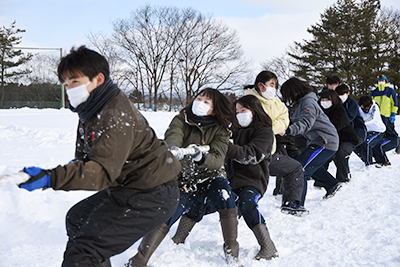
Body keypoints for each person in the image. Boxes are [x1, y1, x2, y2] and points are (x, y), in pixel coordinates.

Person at [17, 46, 181, 267]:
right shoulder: (92, 108)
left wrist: (51, 178)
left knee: (82, 252)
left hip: (152, 194)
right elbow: (88, 157)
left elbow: (102, 172)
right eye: (66, 84)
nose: (69, 89)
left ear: (99, 78)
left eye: (74, 81)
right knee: (77, 219)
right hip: (129, 186)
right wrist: (75, 168)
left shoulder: (113, 113)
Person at [128, 88, 239, 266]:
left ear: (214, 109)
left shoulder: (221, 130)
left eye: (206, 101)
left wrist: (200, 157)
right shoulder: (182, 119)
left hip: (211, 175)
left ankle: (232, 253)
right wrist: (173, 150)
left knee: (225, 196)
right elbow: (173, 136)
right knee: (169, 209)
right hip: (184, 177)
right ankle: (140, 259)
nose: (200, 102)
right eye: (199, 97)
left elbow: (217, 160)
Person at [244, 71, 307, 216]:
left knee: (295, 167)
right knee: (249, 188)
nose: (274, 88)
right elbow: (255, 124)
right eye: (271, 84)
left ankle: (291, 203)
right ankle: (234, 212)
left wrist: (269, 125)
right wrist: (272, 125)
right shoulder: (248, 100)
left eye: (275, 85)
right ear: (260, 85)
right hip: (249, 153)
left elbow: (285, 120)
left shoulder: (276, 102)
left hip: (269, 153)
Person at [224, 95, 278, 260]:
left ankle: (268, 246)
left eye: (244, 110)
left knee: (248, 203)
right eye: (237, 111)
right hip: (232, 179)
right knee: (206, 199)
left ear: (254, 111)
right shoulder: (234, 130)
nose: (240, 114)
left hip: (253, 180)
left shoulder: (265, 132)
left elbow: (252, 154)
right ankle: (179, 239)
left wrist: (225, 147)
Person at [279, 77, 341, 206]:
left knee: (300, 170)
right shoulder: (296, 105)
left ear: (294, 92)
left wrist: (288, 130)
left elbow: (306, 123)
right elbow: (288, 120)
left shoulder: (308, 102)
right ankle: (331, 185)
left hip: (326, 141)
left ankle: (296, 204)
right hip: (316, 141)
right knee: (309, 165)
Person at [319, 90, 361, 183]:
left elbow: (335, 126)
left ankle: (343, 178)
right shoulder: (321, 110)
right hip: (332, 139)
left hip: (347, 139)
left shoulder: (339, 110)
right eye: (323, 99)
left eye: (327, 99)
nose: (324, 101)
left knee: (341, 153)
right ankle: (321, 180)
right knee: (323, 155)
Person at [354, 95, 386, 167]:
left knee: (367, 143)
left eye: (364, 107)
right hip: (367, 131)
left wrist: (363, 122)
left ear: (369, 105)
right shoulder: (359, 108)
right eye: (361, 106)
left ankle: (369, 163)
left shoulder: (374, 107)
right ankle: (365, 159)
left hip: (378, 130)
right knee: (358, 142)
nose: (362, 108)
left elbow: (372, 119)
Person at [371, 74, 400, 154]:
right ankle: (381, 147)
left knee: (391, 131)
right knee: (381, 132)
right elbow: (371, 105)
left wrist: (393, 114)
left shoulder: (390, 91)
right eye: (379, 81)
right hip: (377, 117)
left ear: (385, 81)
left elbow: (394, 103)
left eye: (382, 80)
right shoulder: (374, 92)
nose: (381, 82)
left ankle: (398, 144)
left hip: (388, 116)